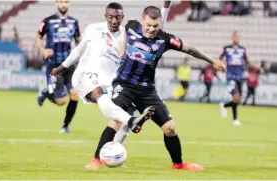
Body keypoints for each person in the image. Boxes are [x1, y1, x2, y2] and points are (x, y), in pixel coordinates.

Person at [86, 6, 226, 170]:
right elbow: (124, 39)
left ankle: (179, 165)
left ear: (160, 24)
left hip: (147, 90)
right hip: (124, 85)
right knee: (116, 120)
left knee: (170, 128)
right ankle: (95, 161)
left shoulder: (165, 39)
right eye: (148, 25)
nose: (152, 29)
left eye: (155, 26)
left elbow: (190, 49)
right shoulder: (131, 26)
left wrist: (212, 61)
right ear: (142, 20)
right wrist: (121, 53)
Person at [51, 2, 172, 139]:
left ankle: (114, 148)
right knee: (98, 91)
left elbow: (156, 32)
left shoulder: (127, 34)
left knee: (128, 110)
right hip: (85, 75)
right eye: (111, 17)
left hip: (111, 81)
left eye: (118, 17)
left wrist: (165, 8)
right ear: (106, 16)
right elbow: (78, 50)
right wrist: (61, 67)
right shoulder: (93, 29)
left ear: (122, 17)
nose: (114, 21)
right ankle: (131, 121)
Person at [35, 0, 81, 133]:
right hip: (53, 65)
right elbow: (38, 38)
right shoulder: (47, 21)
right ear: (56, 3)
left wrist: (82, 53)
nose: (63, 4)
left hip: (68, 64)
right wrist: (43, 50)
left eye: (66, 1)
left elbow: (79, 40)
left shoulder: (74, 22)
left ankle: (65, 126)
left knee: (75, 94)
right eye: (61, 1)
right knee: (61, 101)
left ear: (69, 3)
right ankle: (45, 92)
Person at [219, 31, 259, 126]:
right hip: (230, 76)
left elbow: (247, 62)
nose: (237, 38)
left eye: (238, 37)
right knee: (236, 97)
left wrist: (255, 66)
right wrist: (221, 66)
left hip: (239, 76)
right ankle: (235, 119)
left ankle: (224, 106)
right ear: (232, 37)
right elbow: (220, 59)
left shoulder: (243, 49)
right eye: (235, 36)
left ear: (240, 38)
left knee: (238, 99)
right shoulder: (227, 48)